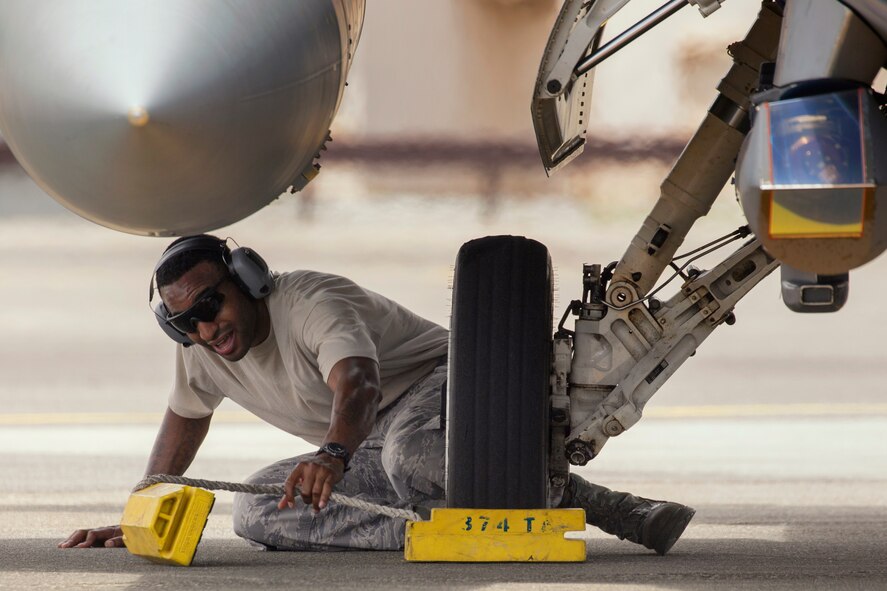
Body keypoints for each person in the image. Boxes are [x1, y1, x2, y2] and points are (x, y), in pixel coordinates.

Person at [59, 234, 695, 554]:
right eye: (184, 322)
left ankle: (601, 506)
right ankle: (457, 518)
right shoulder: (202, 351)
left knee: (409, 458)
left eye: (210, 303)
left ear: (246, 279)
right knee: (259, 513)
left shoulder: (309, 301)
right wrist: (141, 507)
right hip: (367, 439)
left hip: (446, 386)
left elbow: (356, 382)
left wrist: (332, 454)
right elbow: (184, 419)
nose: (204, 328)